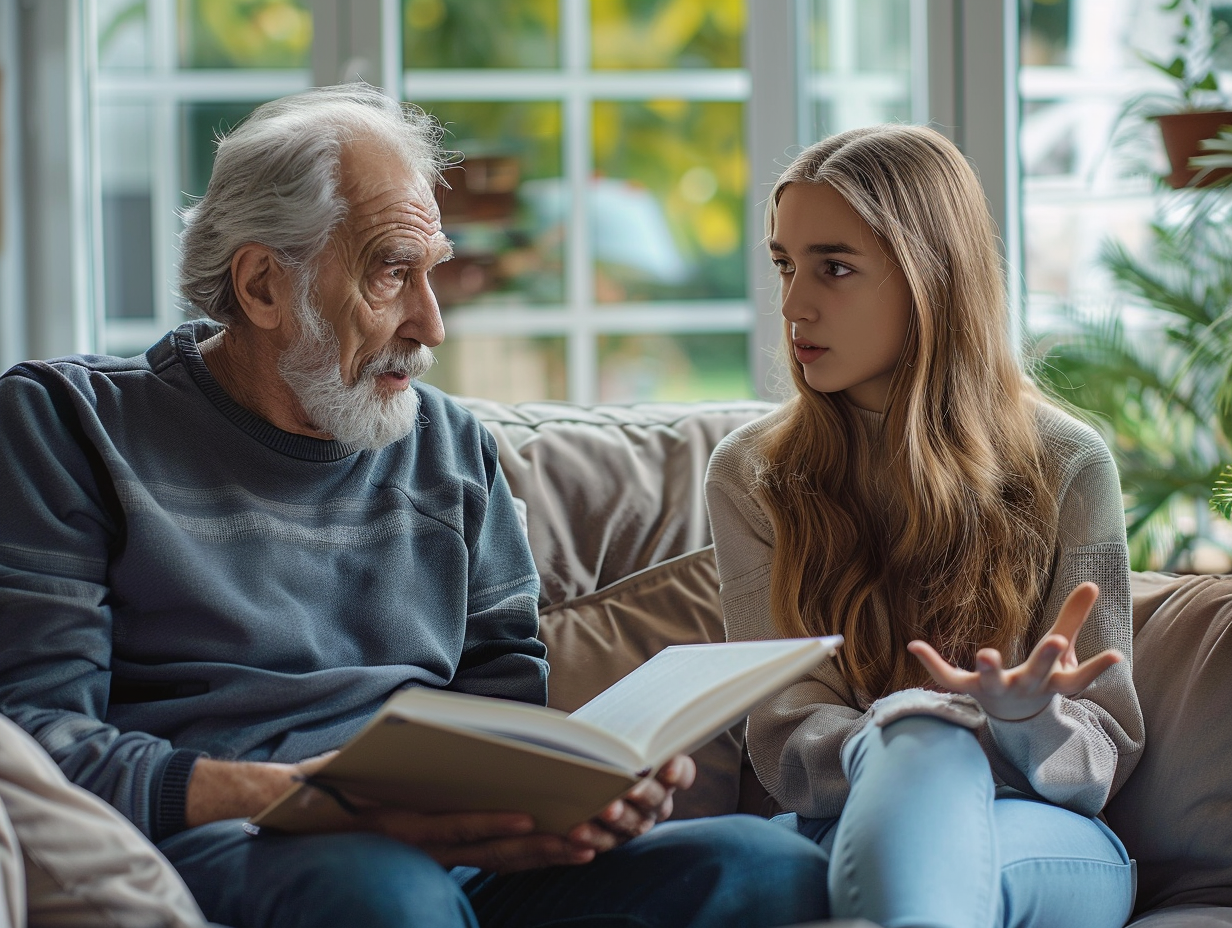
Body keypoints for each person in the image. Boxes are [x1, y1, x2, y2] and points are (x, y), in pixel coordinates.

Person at [0, 83, 831, 928]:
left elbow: (504, 709)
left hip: (449, 858)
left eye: (431, 273)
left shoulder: (451, 450)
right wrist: (310, 798)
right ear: (260, 286)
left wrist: (566, 799)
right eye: (391, 273)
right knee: (382, 896)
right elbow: (33, 739)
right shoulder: (68, 426)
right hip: (236, 845)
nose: (431, 325)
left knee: (765, 868)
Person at [705, 124, 1145, 928]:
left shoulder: (1068, 464)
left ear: (931, 278)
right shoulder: (751, 474)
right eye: (784, 265)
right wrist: (913, 734)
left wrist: (1027, 719)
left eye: (834, 268)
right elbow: (783, 737)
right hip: (839, 821)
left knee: (926, 754)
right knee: (920, 745)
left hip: (1041, 827)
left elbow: (1099, 749)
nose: (795, 304)